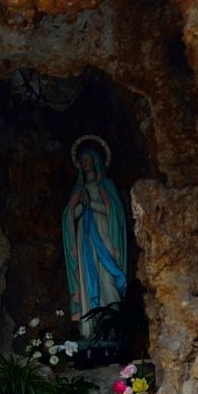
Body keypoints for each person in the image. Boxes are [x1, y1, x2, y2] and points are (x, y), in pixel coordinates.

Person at [61, 136, 128, 337]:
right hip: (85, 237)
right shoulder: (78, 189)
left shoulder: (106, 185)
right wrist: (82, 206)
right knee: (87, 278)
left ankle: (114, 329)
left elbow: (115, 212)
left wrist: (92, 204)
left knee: (108, 277)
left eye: (88, 159)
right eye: (81, 160)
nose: (85, 163)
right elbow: (69, 215)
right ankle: (90, 331)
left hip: (104, 232)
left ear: (96, 161)